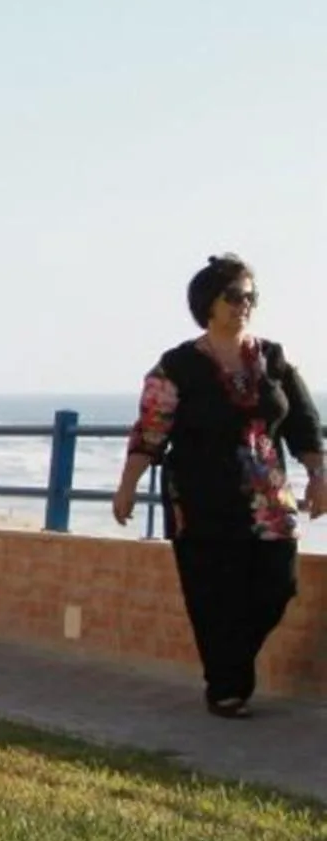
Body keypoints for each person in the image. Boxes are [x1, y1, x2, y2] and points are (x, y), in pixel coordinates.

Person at [111, 255, 324, 718]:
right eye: (233, 296)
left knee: (278, 586)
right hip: (201, 501)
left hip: (268, 501)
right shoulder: (179, 366)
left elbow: (304, 424)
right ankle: (227, 689)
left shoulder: (274, 358)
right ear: (208, 303)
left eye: (250, 297)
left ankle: (230, 667)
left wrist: (318, 474)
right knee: (213, 595)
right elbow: (151, 429)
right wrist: (128, 485)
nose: (243, 305)